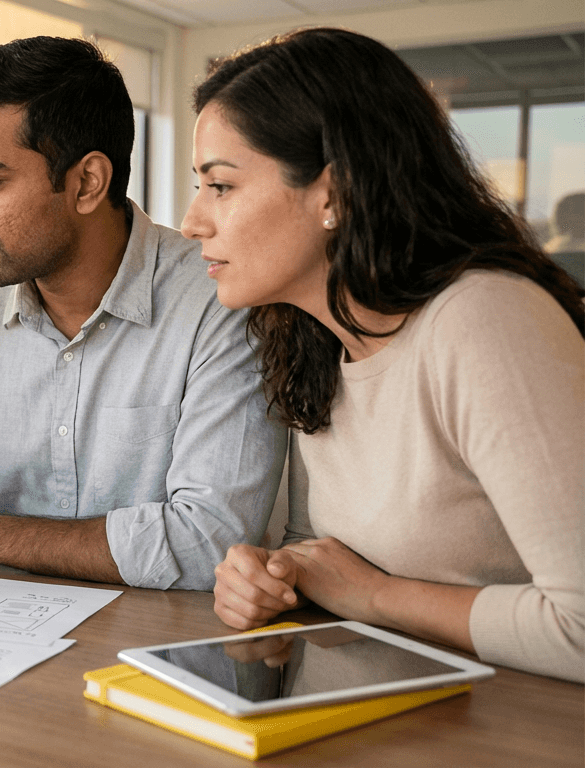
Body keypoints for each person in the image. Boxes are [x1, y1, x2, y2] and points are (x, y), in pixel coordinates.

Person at [188, 28, 583, 682]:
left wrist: (371, 595)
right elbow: (333, 561)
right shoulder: (314, 340)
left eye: (220, 186)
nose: (193, 221)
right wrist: (274, 576)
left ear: (335, 194)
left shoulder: (485, 321)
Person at [0, 37, 287, 589]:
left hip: (162, 655)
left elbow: (210, 542)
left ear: (86, 183)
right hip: (1, 635)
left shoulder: (218, 303)